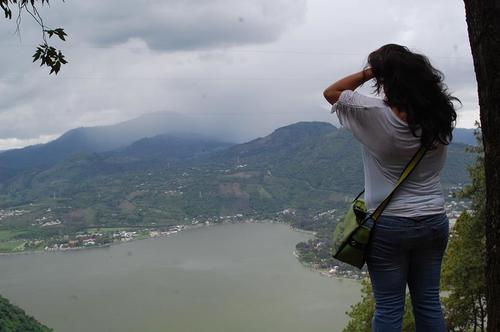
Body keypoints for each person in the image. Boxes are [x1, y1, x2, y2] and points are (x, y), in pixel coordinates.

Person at [323, 44, 459, 332]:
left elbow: (332, 92)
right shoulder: (440, 116)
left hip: (389, 227)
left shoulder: (374, 113)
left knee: (388, 308)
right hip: (434, 221)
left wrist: (372, 70)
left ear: (385, 78)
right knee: (429, 303)